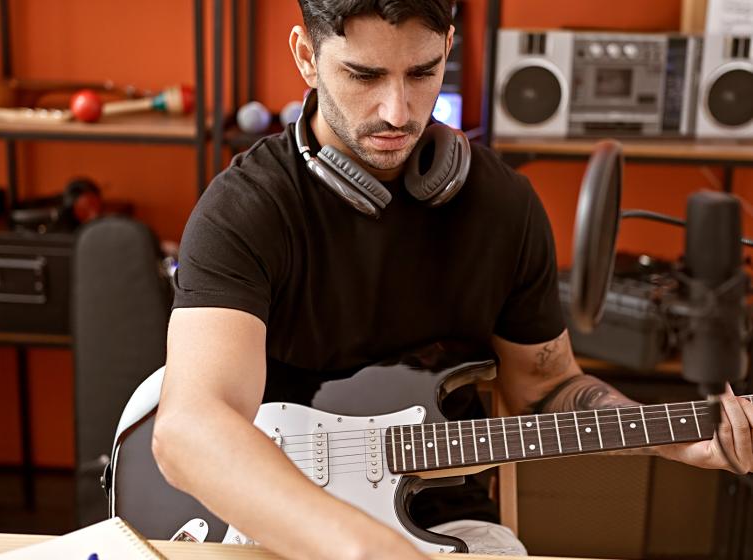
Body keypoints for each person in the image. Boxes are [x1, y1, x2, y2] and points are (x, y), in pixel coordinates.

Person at [151, 1, 753, 559]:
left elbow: (544, 389)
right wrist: (366, 550)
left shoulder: (503, 205)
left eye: (422, 73)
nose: (398, 111)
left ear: (448, 47)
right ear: (306, 55)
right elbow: (188, 431)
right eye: (364, 75)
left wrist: (673, 439)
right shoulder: (247, 209)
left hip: (445, 523)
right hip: (260, 520)